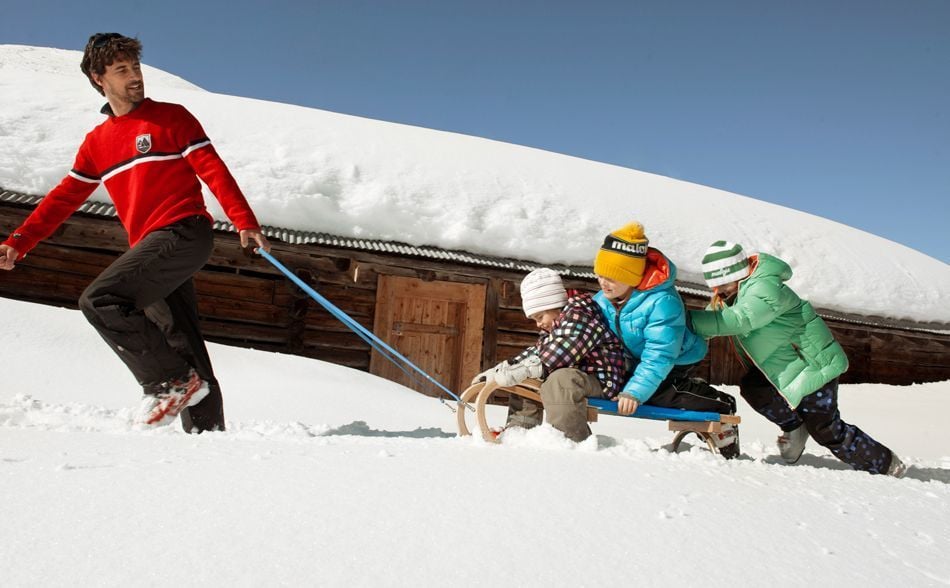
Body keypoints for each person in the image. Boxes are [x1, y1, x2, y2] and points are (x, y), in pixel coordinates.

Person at [0, 33, 271, 432]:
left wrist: (244, 222)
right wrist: (18, 241)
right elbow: (64, 198)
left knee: (101, 299)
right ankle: (208, 440)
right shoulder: (97, 143)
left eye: (136, 68)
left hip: (183, 231)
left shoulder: (172, 117)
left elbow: (213, 169)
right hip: (153, 246)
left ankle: (168, 383)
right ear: (98, 78)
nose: (135, 77)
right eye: (122, 70)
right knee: (182, 342)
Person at [688, 240, 905, 476]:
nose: (717, 291)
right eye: (714, 286)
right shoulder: (732, 294)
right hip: (787, 366)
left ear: (737, 274)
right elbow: (712, 321)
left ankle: (884, 464)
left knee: (826, 430)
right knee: (753, 387)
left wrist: (690, 320)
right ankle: (795, 425)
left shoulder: (764, 288)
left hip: (813, 365)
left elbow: (741, 320)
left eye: (722, 284)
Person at [591, 222, 740, 458]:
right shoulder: (603, 298)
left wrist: (635, 393)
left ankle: (719, 403)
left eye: (612, 277)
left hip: (677, 357)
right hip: (638, 357)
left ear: (631, 276)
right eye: (599, 274)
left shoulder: (662, 302)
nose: (602, 282)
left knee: (659, 393)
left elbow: (660, 355)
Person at [472, 268, 626, 442]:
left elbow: (565, 349)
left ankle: (570, 440)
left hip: (602, 381)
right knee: (526, 377)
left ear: (554, 305)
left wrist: (529, 368)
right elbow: (539, 352)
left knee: (560, 380)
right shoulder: (556, 326)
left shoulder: (581, 315)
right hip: (577, 377)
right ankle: (519, 433)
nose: (538, 324)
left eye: (539, 316)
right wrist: (505, 368)